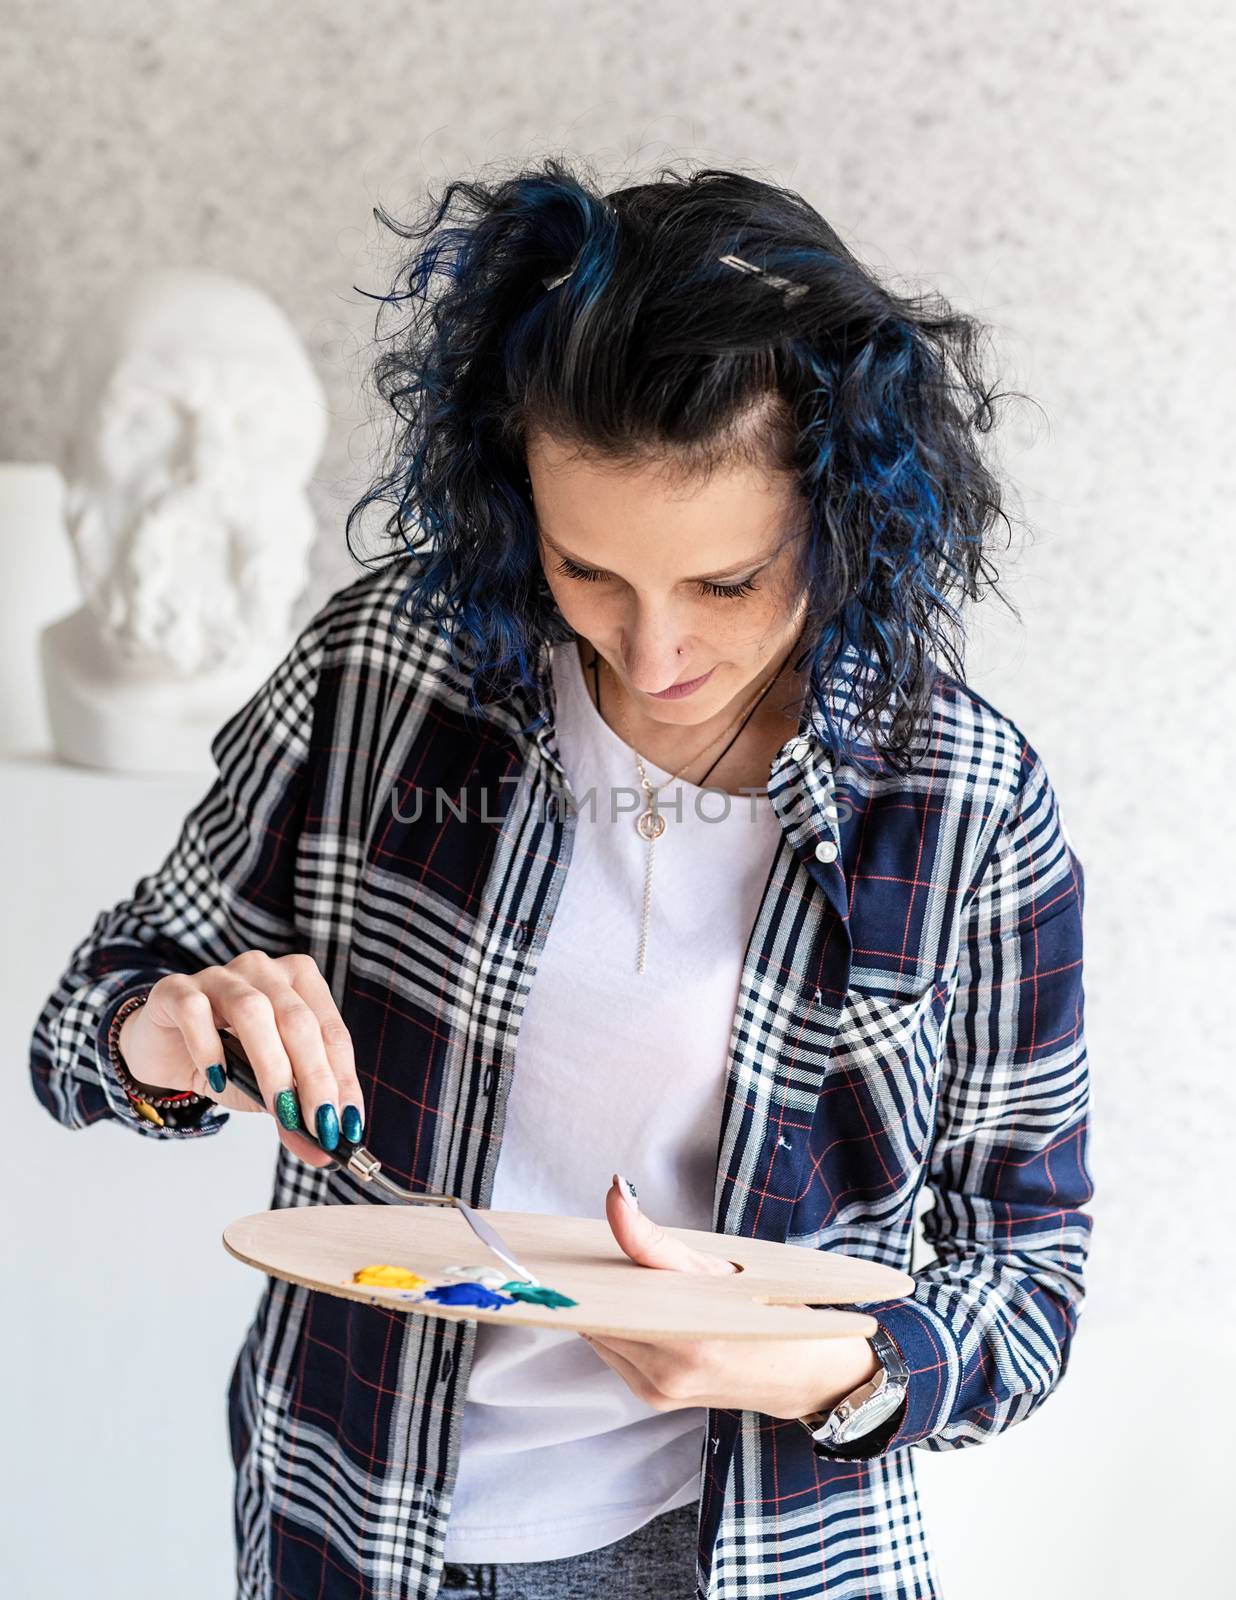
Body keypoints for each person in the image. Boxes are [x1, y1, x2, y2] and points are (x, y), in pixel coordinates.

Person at [30, 158, 1095, 1600]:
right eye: (589, 571)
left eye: (725, 584)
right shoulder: (388, 671)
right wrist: (166, 1031)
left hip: (762, 1552)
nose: (651, 656)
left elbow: (1027, 1273)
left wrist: (827, 1370)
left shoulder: (963, 804)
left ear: (846, 517)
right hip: (351, 1522)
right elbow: (82, 1025)